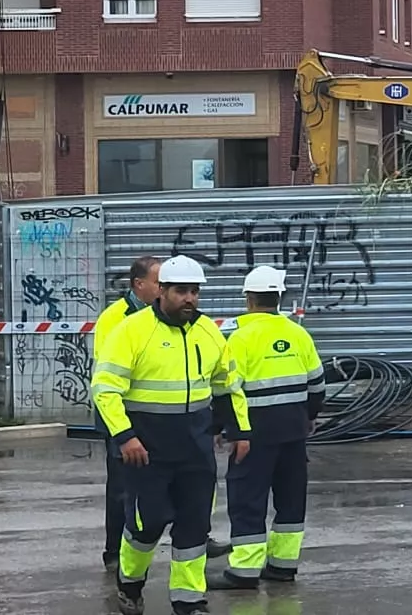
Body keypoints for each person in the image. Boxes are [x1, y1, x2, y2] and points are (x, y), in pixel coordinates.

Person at [91, 254, 250, 615]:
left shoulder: (207, 331)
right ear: (161, 291)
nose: (189, 299)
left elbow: (227, 384)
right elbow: (104, 389)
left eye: (194, 292)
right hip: (146, 449)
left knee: (194, 527)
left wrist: (240, 430)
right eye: (181, 291)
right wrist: (125, 436)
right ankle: (129, 583)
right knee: (147, 526)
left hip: (195, 448)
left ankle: (189, 600)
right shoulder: (131, 332)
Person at [210, 266, 325, 591]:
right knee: (290, 500)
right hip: (293, 433)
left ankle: (244, 571)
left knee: (248, 499)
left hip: (254, 435)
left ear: (248, 299)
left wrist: (223, 428)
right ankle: (282, 566)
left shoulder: (239, 338)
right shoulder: (298, 333)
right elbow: (317, 384)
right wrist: (309, 416)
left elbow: (226, 390)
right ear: (279, 297)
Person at [93, 255, 159, 575]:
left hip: (156, 413)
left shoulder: (163, 315)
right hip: (122, 415)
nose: (165, 290)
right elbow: (109, 374)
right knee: (121, 485)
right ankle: (114, 550)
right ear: (139, 284)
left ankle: (197, 535)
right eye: (159, 283)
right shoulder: (114, 318)